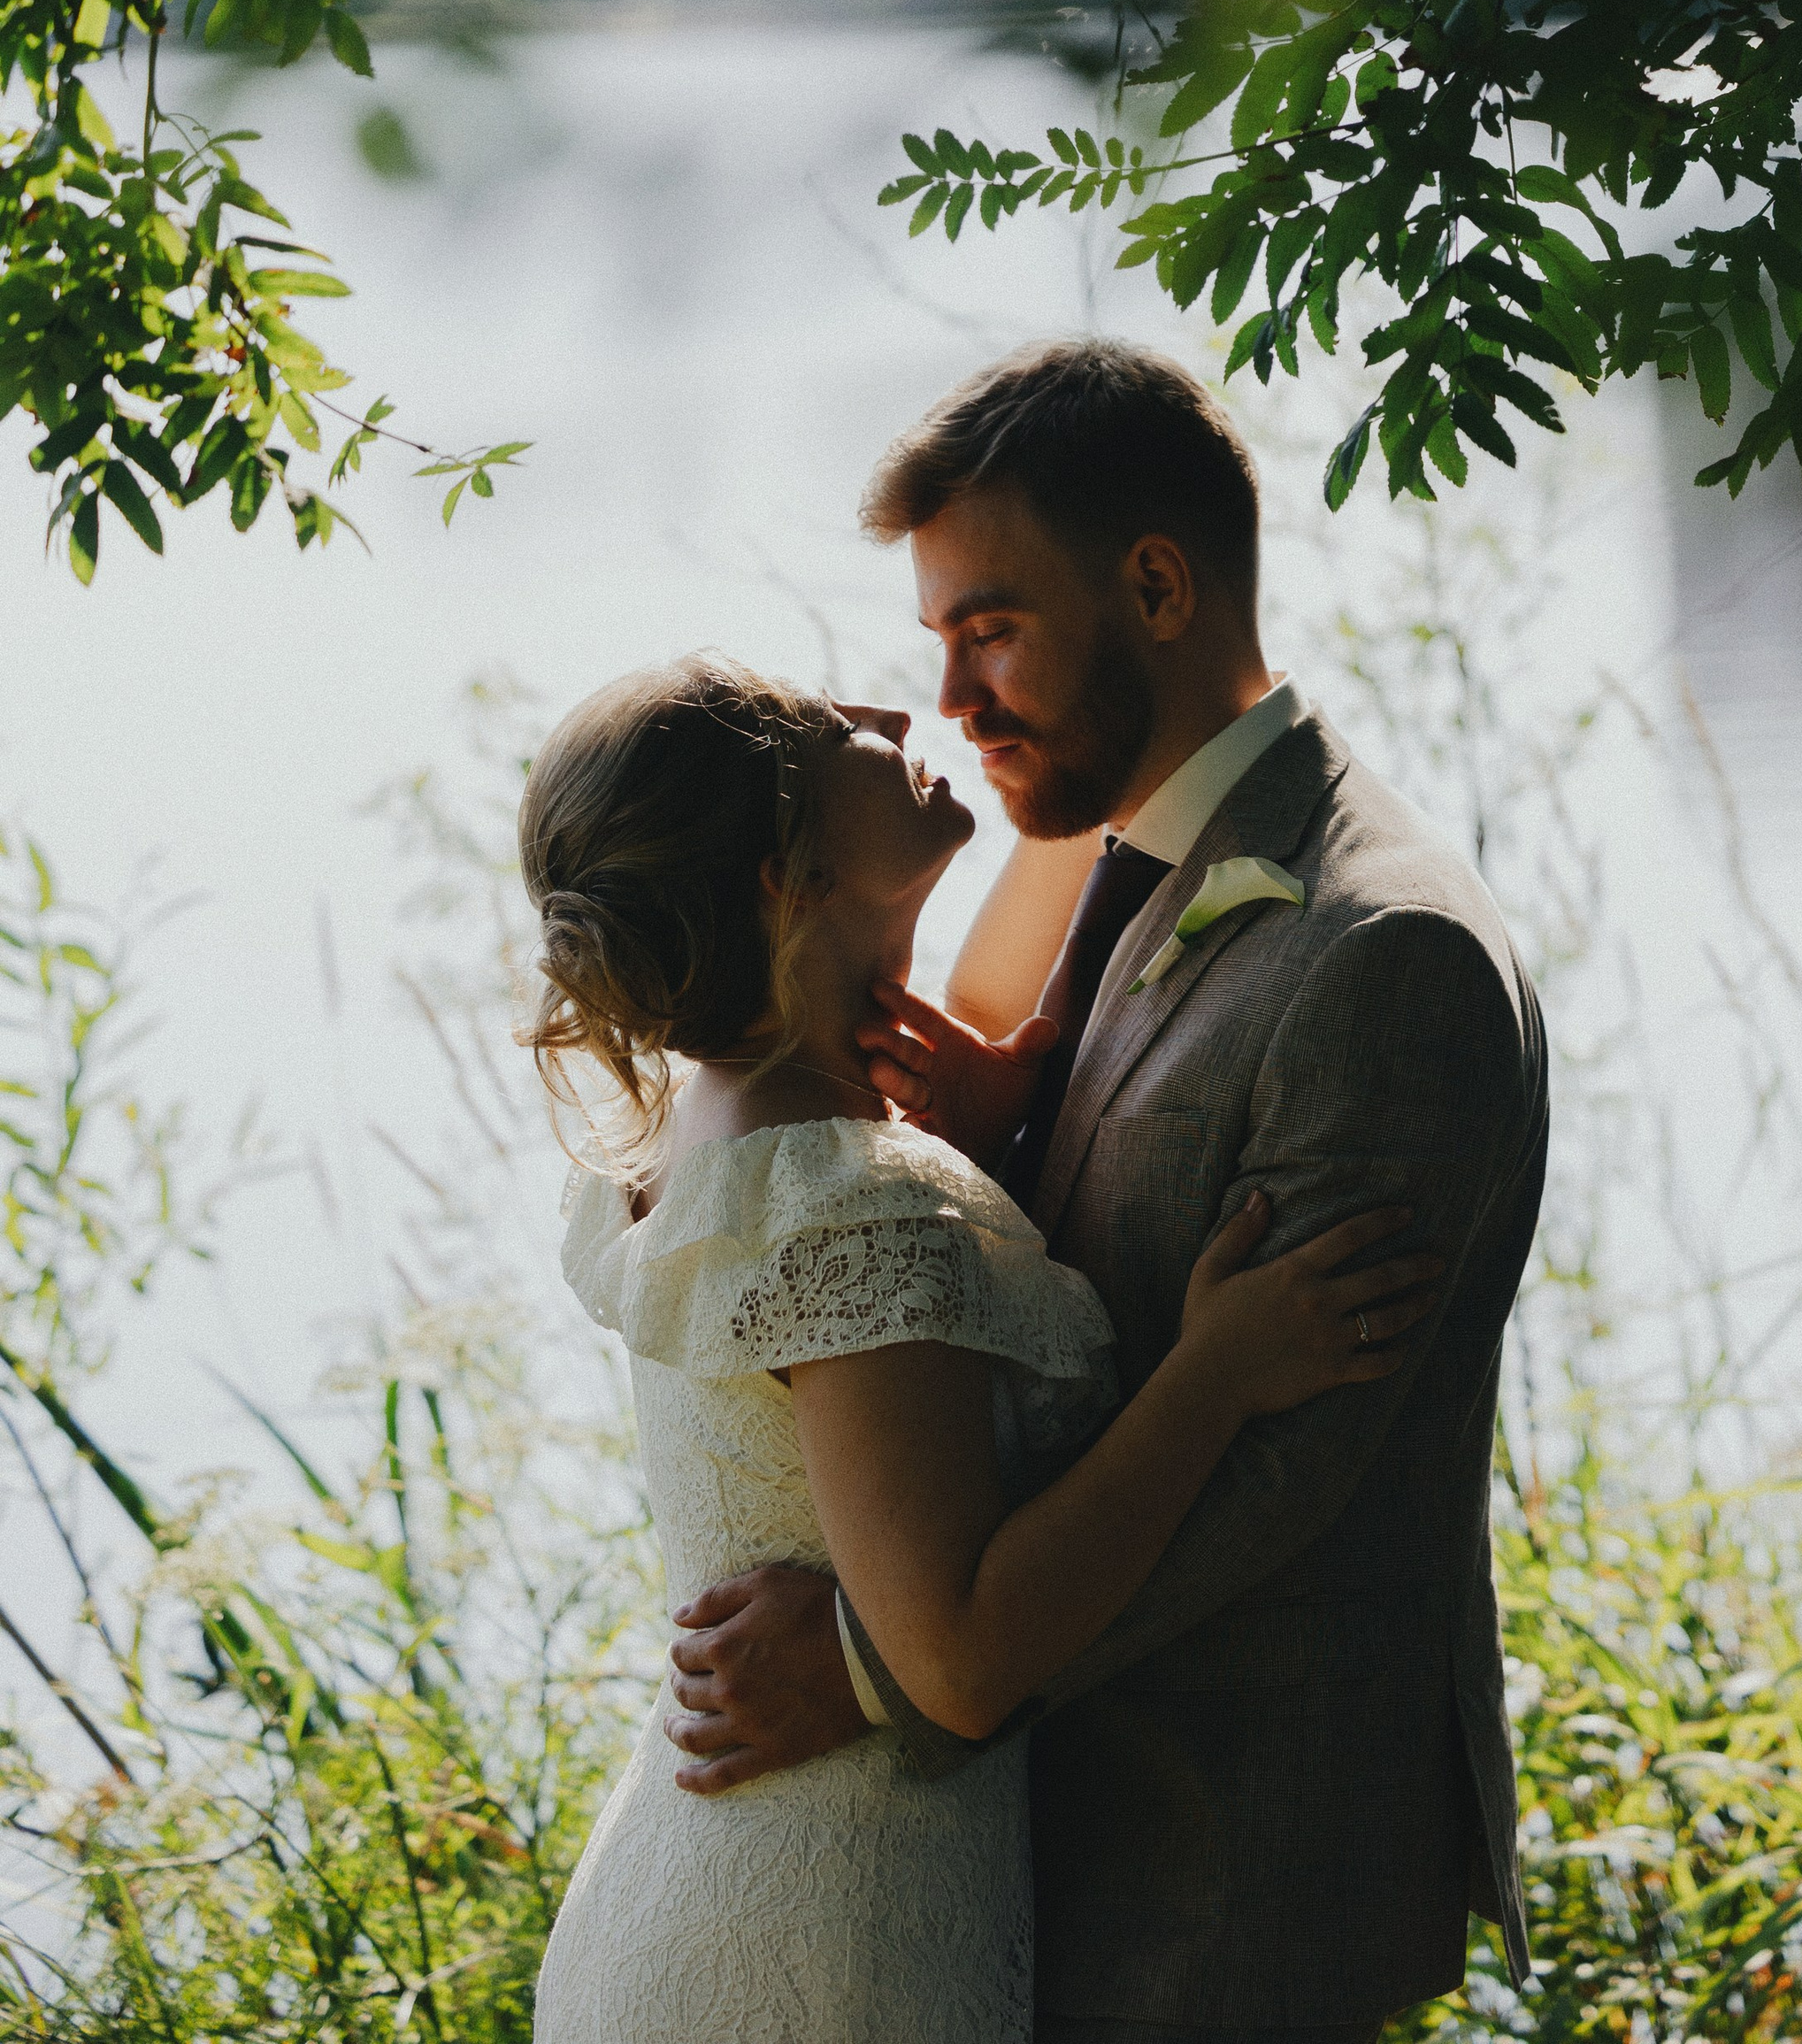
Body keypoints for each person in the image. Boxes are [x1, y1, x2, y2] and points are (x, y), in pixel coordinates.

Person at [663, 341, 1553, 2044]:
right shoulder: (1110, 845)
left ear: (1156, 585)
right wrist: (1010, 1126)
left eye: (989, 629)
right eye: (938, 642)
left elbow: (1295, 1472)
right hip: (1051, 1856)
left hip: (1223, 1876)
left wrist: (876, 1667)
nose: (954, 698)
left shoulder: (1387, 956)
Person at [520, 652, 1438, 2044]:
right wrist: (1217, 1374)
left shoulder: (704, 1139)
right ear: (789, 877)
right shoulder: (850, 1201)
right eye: (836, 731)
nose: (897, 715)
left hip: (690, 1905)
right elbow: (951, 1655)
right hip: (825, 1957)